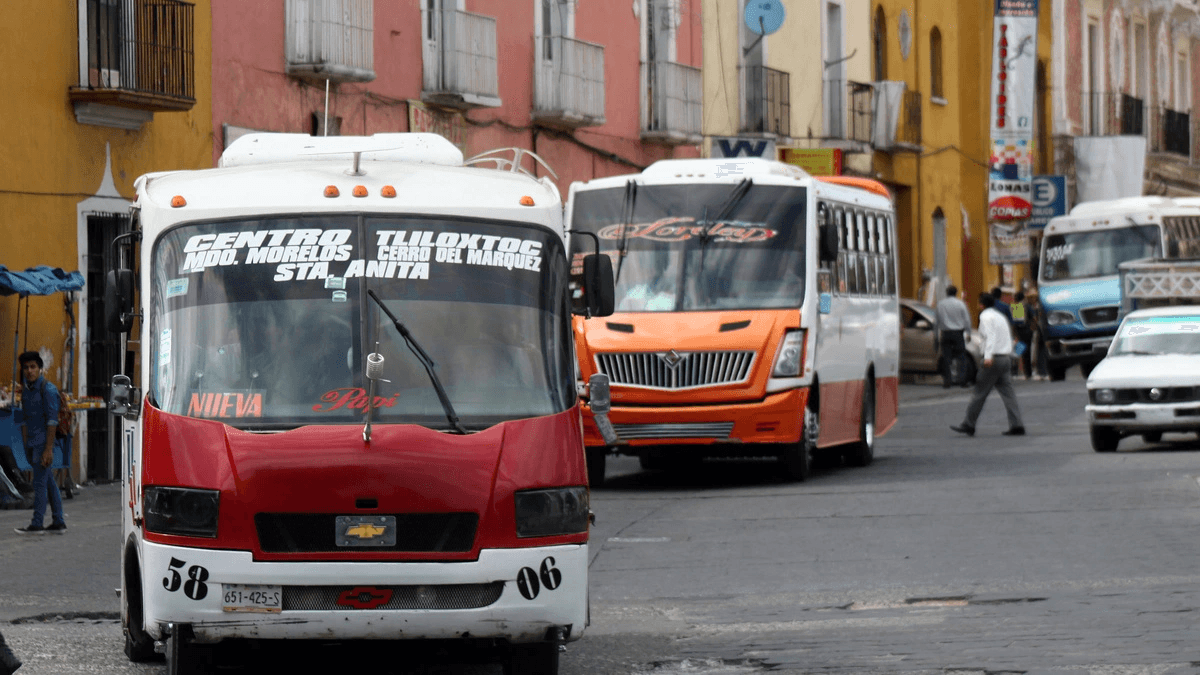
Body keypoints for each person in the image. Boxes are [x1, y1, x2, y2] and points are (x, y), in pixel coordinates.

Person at [951, 292, 1026, 437]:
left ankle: (969, 423)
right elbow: (1007, 335)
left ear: (981, 304)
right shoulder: (1000, 316)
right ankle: (1017, 424)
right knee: (1009, 394)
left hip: (993, 359)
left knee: (979, 392)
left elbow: (990, 336)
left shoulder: (985, 316)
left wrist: (987, 356)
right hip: (1005, 358)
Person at [14, 352, 67, 535]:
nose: (29, 371)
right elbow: (25, 419)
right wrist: (25, 443)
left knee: (40, 485)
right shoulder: (27, 390)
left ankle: (37, 523)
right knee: (49, 482)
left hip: (43, 444)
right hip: (33, 443)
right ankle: (58, 521)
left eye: (33, 367)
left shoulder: (48, 389)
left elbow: (52, 422)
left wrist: (48, 450)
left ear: (40, 369)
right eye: (26, 367)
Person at [935, 285, 973, 388]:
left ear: (947, 293)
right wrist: (968, 333)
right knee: (961, 357)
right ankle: (963, 380)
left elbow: (936, 322)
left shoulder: (940, 304)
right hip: (958, 333)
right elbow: (967, 320)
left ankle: (947, 380)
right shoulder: (961, 304)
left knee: (946, 358)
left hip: (945, 333)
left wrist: (936, 336)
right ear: (956, 293)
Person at [1012, 291, 1035, 379]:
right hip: (1028, 332)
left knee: (1018, 352)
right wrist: (1033, 328)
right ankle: (1028, 372)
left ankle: (1016, 371)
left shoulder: (1016, 306)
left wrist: (1015, 334)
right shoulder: (1027, 305)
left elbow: (1015, 323)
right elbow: (1033, 318)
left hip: (1019, 333)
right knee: (1027, 352)